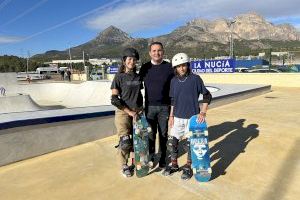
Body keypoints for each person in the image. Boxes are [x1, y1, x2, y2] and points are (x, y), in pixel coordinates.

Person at [162, 52, 212, 180]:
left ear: (187, 65)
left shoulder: (195, 79)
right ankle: (174, 165)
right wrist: (171, 116)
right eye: (178, 66)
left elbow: (207, 95)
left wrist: (203, 112)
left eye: (183, 65)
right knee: (171, 143)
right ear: (175, 68)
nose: (181, 68)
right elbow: (173, 100)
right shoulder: (173, 81)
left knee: (190, 145)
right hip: (177, 117)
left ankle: (188, 166)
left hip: (192, 118)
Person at [139, 42, 174, 169]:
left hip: (165, 107)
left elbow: (176, 85)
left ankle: (163, 157)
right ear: (149, 53)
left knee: (163, 134)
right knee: (150, 134)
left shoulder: (169, 67)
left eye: (159, 50)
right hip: (149, 107)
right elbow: (136, 86)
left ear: (163, 52)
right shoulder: (145, 68)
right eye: (154, 51)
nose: (156, 53)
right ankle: (152, 156)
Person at [111, 47, 143, 177]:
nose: (132, 61)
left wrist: (141, 109)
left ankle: (136, 161)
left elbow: (139, 94)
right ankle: (124, 165)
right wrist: (129, 112)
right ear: (124, 60)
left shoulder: (138, 76)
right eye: (129, 59)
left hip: (137, 112)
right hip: (123, 113)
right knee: (125, 142)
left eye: (134, 59)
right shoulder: (119, 77)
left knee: (138, 139)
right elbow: (114, 99)